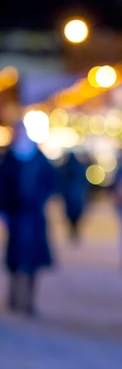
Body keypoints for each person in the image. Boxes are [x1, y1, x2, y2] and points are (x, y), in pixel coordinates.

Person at [0, 121, 58, 316]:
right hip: (16, 215)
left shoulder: (38, 157)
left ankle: (30, 300)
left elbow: (50, 181)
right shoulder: (9, 158)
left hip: (34, 215)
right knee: (16, 258)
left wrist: (40, 198)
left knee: (33, 259)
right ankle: (14, 295)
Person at [58, 151, 88, 243]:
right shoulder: (79, 168)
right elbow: (84, 182)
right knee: (76, 215)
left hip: (70, 196)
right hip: (77, 196)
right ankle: (75, 231)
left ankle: (73, 231)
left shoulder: (66, 169)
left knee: (71, 215)